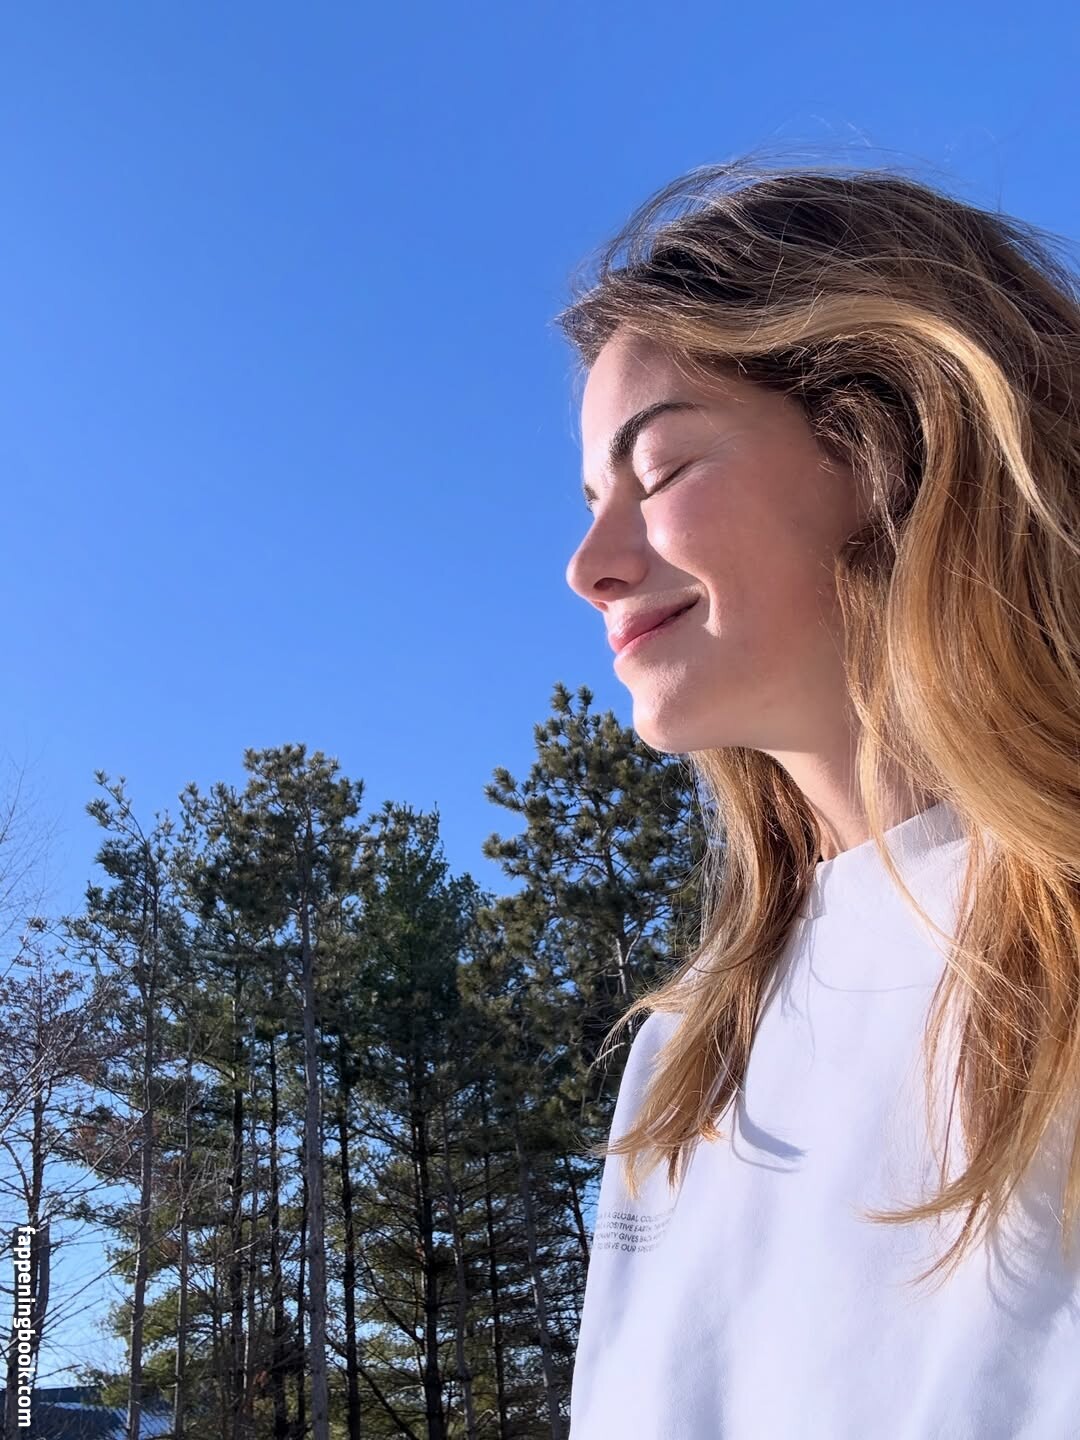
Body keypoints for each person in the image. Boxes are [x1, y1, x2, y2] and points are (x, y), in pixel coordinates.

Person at [557, 155, 1080, 1438]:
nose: (589, 566)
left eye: (658, 470)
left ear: (892, 437)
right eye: (592, 500)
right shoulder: (683, 1063)